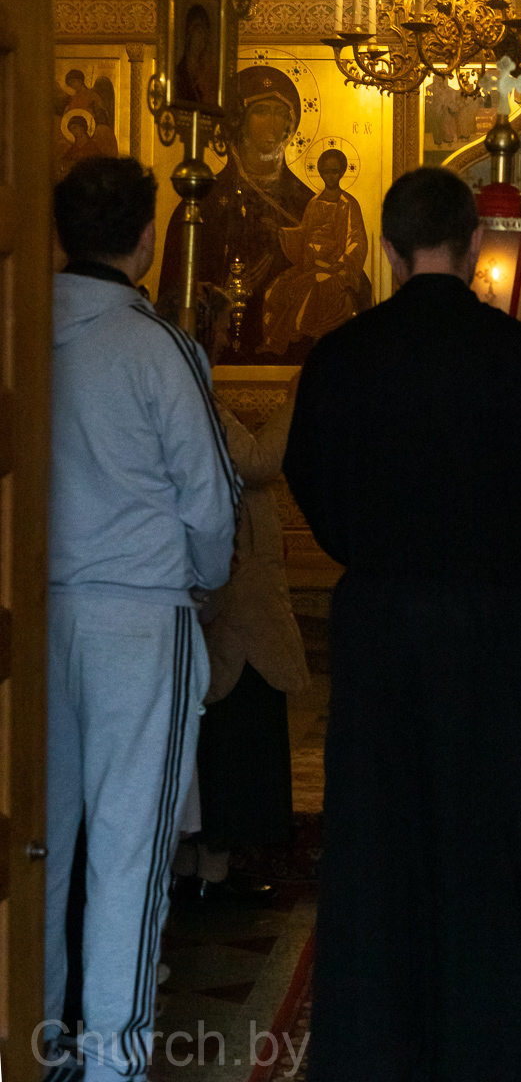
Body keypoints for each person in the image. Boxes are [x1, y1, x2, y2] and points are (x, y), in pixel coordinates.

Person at [283, 166, 521, 1082]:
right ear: (474, 246)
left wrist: (380, 561)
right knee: (495, 849)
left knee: (377, 848)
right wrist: (517, 586)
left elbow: (313, 483)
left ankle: (376, 1054)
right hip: (498, 630)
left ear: (389, 252)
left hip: (384, 627)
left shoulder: (341, 358)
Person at [46, 157, 240, 1082]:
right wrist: (204, 579)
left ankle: (32, 1040)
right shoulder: (155, 344)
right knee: (130, 847)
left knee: (37, 845)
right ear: (149, 237)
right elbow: (210, 500)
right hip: (137, 616)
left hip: (32, 619)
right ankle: (113, 1061)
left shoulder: (20, 328)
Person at [162, 286, 311, 898]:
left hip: (230, 597)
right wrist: (297, 397)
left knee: (221, 739)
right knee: (231, 740)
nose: (226, 338)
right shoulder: (197, 400)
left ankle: (199, 866)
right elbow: (257, 463)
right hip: (230, 603)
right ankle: (212, 872)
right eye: (222, 327)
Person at [159, 66, 314, 364]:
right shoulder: (200, 203)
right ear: (239, 122)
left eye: (281, 113)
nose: (273, 122)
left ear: (291, 123)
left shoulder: (309, 205)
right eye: (262, 111)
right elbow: (173, 296)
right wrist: (220, 290)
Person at [259, 147, 371, 356]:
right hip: (309, 265)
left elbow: (356, 240)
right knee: (276, 288)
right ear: (320, 173)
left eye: (335, 171)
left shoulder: (348, 204)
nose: (330, 176)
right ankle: (274, 342)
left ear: (342, 172)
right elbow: (304, 233)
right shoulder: (314, 202)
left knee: (315, 288)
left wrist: (340, 264)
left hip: (336, 267)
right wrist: (280, 231)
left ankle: (308, 346)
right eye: (326, 172)